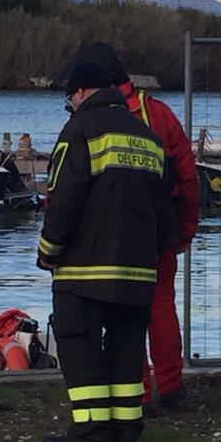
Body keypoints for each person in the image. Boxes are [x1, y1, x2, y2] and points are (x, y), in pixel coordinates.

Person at [36, 61, 176, 442]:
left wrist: (48, 251)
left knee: (78, 341)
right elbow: (163, 207)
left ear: (81, 92)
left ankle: (92, 429)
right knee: (126, 345)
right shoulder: (148, 137)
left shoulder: (79, 130)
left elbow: (63, 198)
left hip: (85, 268)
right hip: (137, 270)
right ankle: (126, 425)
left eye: (70, 98)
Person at [74, 42, 199, 410]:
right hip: (160, 227)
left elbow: (72, 181)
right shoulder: (159, 114)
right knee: (161, 305)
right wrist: (186, 228)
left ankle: (137, 391)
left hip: (111, 234)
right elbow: (188, 176)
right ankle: (172, 387)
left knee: (122, 312)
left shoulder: (88, 120)